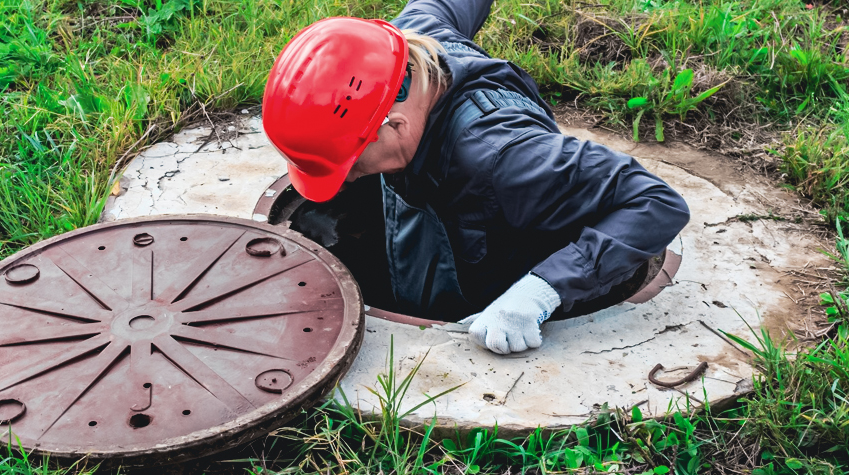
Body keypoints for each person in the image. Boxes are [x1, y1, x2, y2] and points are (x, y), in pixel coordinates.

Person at [261, 0, 690, 355]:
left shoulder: (505, 157)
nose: (348, 180)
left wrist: (542, 292)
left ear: (394, 125)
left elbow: (656, 202)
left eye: (351, 164)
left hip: (501, 311)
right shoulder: (407, 47)